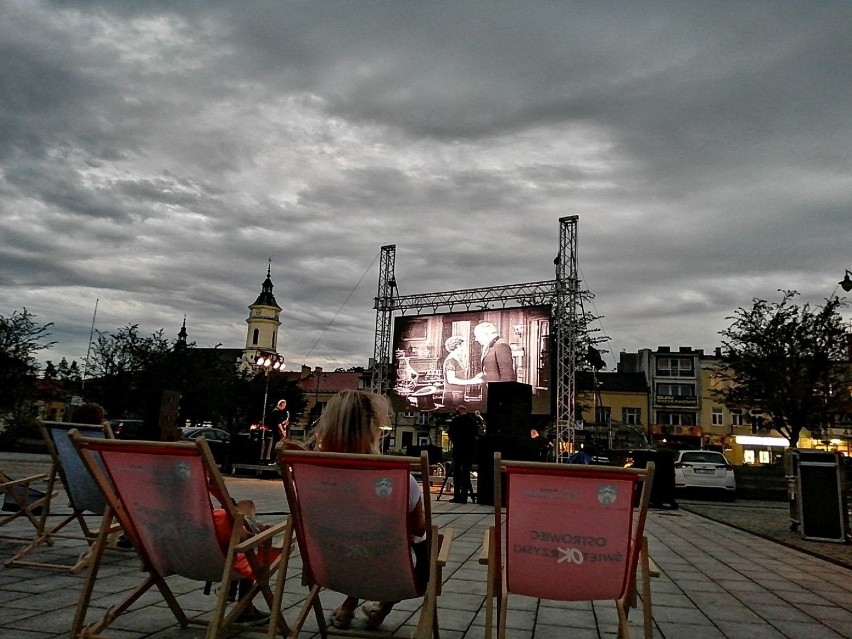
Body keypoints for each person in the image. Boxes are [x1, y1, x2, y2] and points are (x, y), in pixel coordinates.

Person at [306, 390, 427, 630]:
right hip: (389, 570)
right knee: (420, 543)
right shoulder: (396, 479)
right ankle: (381, 607)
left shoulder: (308, 474)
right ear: (373, 427)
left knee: (364, 541)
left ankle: (348, 608)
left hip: (329, 566)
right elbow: (418, 528)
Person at [446, 405, 478, 504]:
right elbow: (476, 436)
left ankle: (456, 496)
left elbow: (450, 434)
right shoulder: (472, 421)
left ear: (458, 411)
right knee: (466, 473)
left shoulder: (455, 421)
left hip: (458, 450)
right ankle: (464, 497)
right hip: (469, 451)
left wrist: (454, 443)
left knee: (457, 474)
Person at [441, 335, 483, 408]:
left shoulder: (457, 359)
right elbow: (451, 380)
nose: (465, 348)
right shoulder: (450, 360)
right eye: (463, 346)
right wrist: (472, 381)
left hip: (458, 394)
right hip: (452, 396)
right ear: (457, 346)